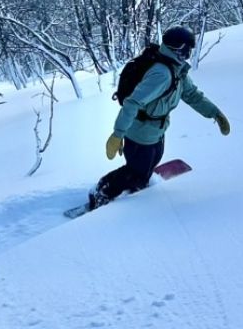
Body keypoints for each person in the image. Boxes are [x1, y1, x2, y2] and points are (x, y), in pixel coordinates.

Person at [88, 25, 230, 210]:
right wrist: (117, 134)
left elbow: (192, 95)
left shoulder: (177, 71)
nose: (188, 55)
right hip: (139, 133)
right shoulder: (161, 74)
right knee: (136, 172)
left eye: (190, 51)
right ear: (175, 49)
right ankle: (102, 191)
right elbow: (132, 103)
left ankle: (141, 179)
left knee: (149, 164)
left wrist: (215, 114)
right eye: (186, 51)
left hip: (157, 131)